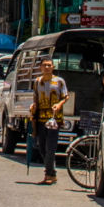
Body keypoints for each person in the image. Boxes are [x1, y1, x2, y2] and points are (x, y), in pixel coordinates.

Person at [31, 57, 67, 185]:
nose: (47, 67)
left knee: (50, 147)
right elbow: (35, 97)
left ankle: (48, 174)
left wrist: (59, 104)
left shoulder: (59, 81)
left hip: (54, 119)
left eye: (49, 65)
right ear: (40, 67)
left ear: (53, 67)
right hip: (41, 118)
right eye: (44, 65)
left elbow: (65, 96)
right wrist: (33, 106)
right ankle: (52, 172)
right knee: (41, 147)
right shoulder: (37, 82)